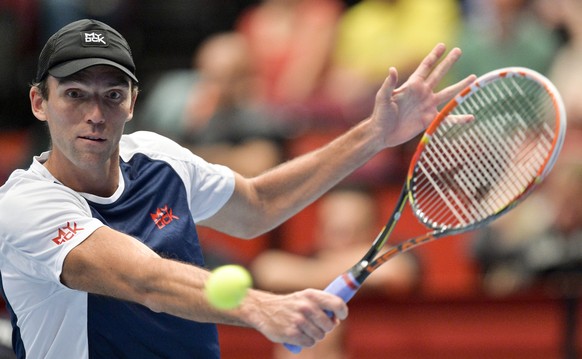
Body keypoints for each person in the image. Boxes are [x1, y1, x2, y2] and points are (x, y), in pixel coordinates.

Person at [0, 19, 475, 358]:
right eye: (75, 95)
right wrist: (259, 307)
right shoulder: (24, 205)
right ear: (40, 102)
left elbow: (258, 205)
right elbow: (143, 279)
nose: (96, 114)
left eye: (112, 95)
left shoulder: (158, 157)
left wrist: (373, 134)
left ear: (132, 103)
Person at [251, 186, 420, 359]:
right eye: (335, 230)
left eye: (353, 230)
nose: (343, 240)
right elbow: (268, 269)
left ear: (374, 233)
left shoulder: (399, 257)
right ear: (319, 230)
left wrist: (312, 276)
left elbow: (393, 271)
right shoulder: (307, 258)